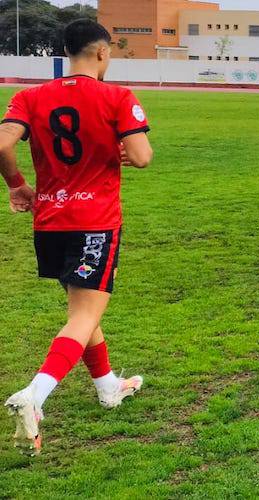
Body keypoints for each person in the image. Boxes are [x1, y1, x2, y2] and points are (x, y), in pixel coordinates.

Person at [1, 19, 153, 456]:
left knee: (82, 309)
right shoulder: (116, 95)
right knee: (84, 315)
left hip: (50, 219)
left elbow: (2, 144)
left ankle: (108, 387)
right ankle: (35, 396)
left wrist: (15, 184)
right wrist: (129, 149)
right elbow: (142, 157)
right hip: (95, 220)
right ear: (103, 53)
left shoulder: (30, 96)